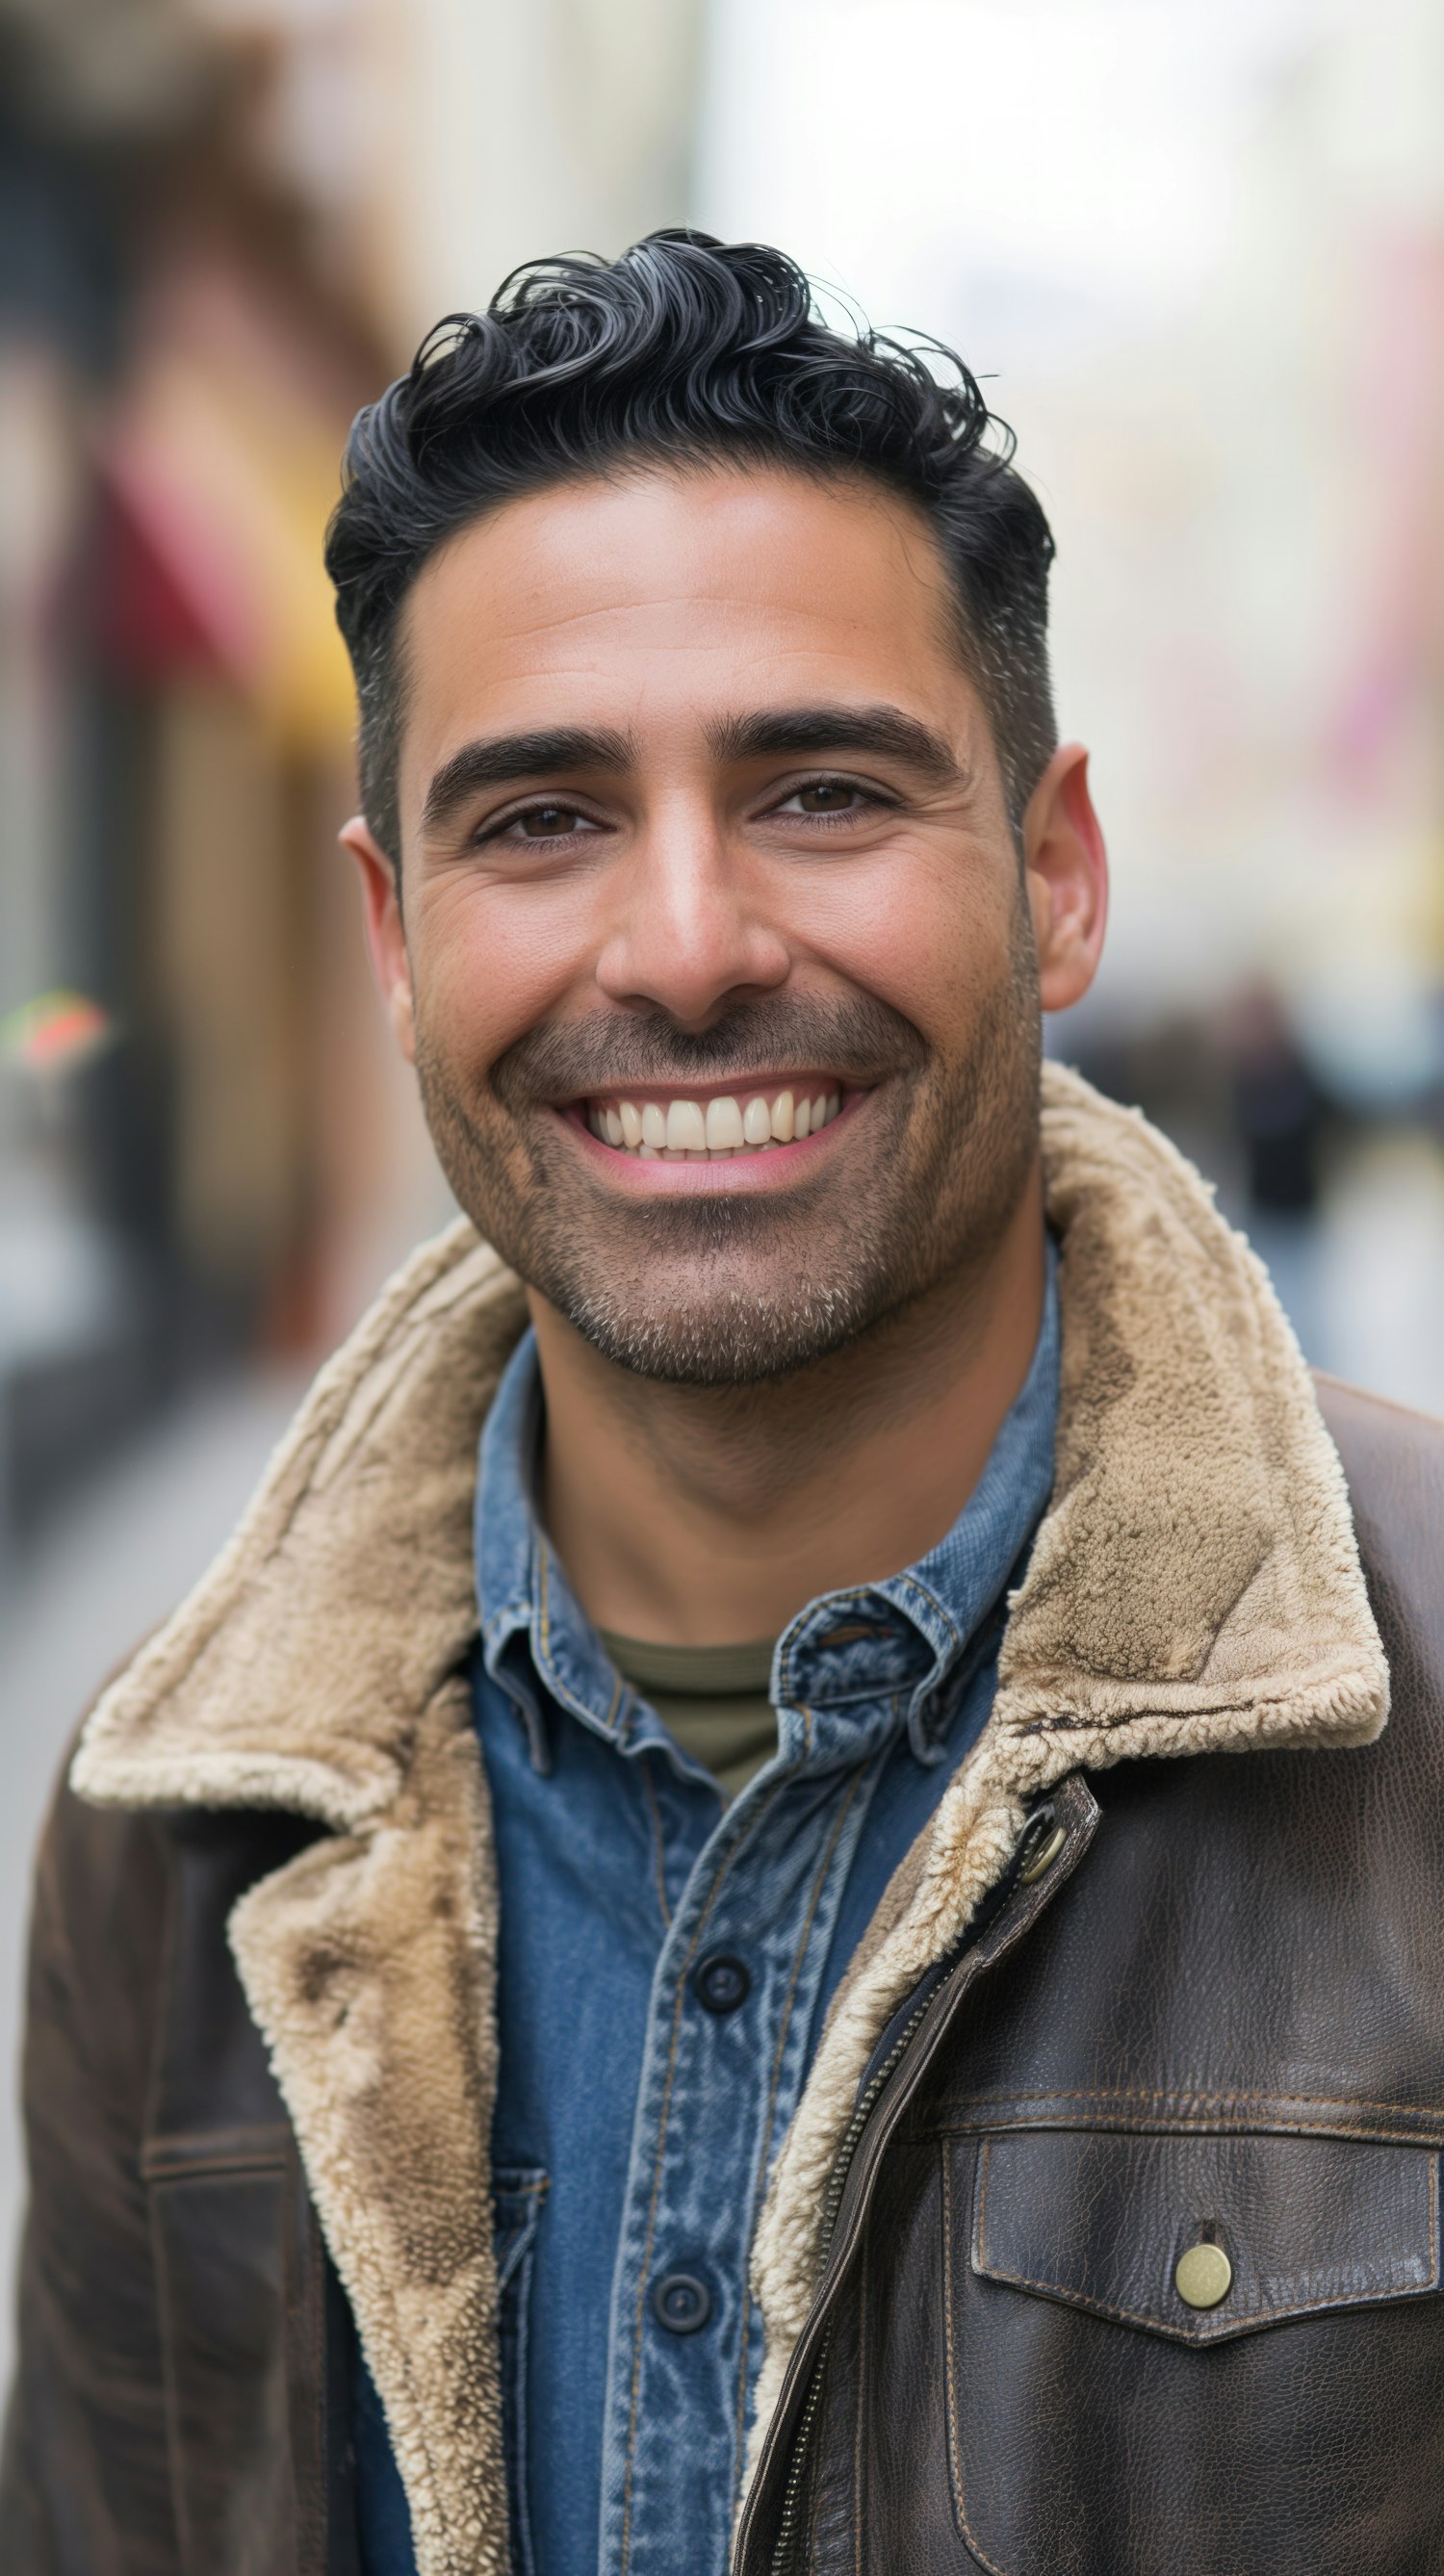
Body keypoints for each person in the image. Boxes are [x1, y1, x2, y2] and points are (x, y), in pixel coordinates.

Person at [4, 232, 1442, 2576]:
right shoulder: (175, 1832)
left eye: (823, 792)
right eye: (542, 819)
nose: (682, 947)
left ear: (1055, 876)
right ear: (393, 938)